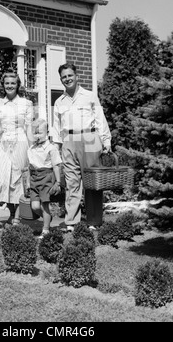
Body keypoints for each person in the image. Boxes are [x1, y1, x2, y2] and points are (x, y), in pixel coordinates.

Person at [51, 62, 111, 232]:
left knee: (92, 182)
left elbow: (100, 119)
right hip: (68, 141)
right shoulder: (59, 102)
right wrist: (56, 149)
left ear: (76, 76)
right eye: (64, 77)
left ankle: (93, 221)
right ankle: (72, 222)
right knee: (71, 183)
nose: (67, 79)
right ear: (61, 80)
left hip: (90, 138)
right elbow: (56, 128)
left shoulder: (90, 96)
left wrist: (106, 141)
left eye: (70, 75)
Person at [0, 69, 33, 225]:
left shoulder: (26, 103)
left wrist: (33, 148)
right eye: (7, 83)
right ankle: (11, 213)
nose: (10, 86)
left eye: (13, 83)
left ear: (18, 84)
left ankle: (18, 216)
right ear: (3, 85)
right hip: (3, 143)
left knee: (19, 177)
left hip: (20, 141)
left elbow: (29, 128)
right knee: (4, 176)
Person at [26, 118, 62, 239]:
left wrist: (58, 182)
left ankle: (45, 229)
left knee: (44, 204)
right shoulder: (31, 149)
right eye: (34, 133)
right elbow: (29, 168)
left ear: (47, 132)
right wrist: (27, 183)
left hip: (46, 176)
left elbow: (56, 166)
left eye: (39, 132)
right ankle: (48, 218)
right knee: (35, 206)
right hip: (34, 177)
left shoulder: (51, 148)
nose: (37, 135)